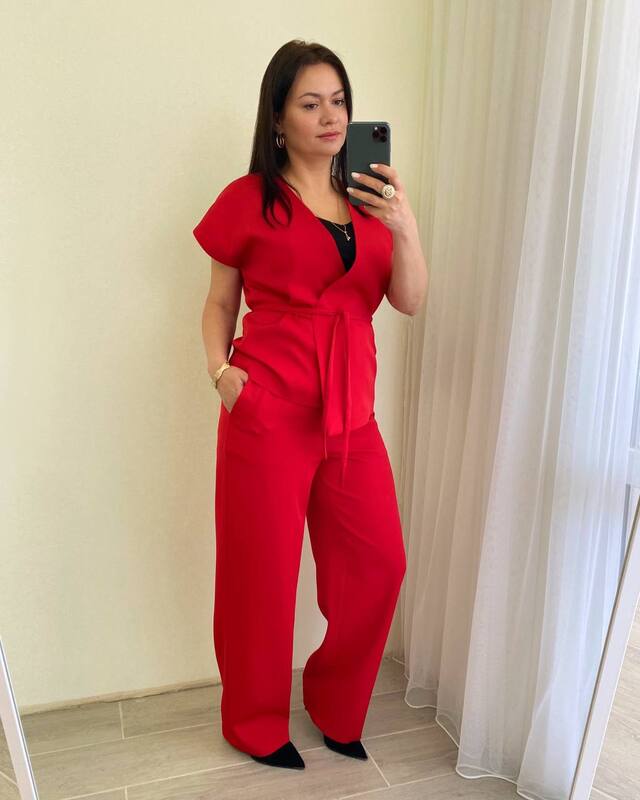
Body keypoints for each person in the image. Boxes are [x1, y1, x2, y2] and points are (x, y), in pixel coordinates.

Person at [193, 39, 425, 771]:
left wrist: (405, 223)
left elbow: (409, 299)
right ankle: (254, 722)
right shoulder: (247, 200)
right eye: (310, 103)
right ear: (278, 118)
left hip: (352, 413)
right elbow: (218, 302)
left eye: (340, 101)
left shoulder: (371, 202)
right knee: (259, 574)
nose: (331, 116)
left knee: (379, 564)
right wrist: (221, 374)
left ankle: (335, 702)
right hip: (268, 407)